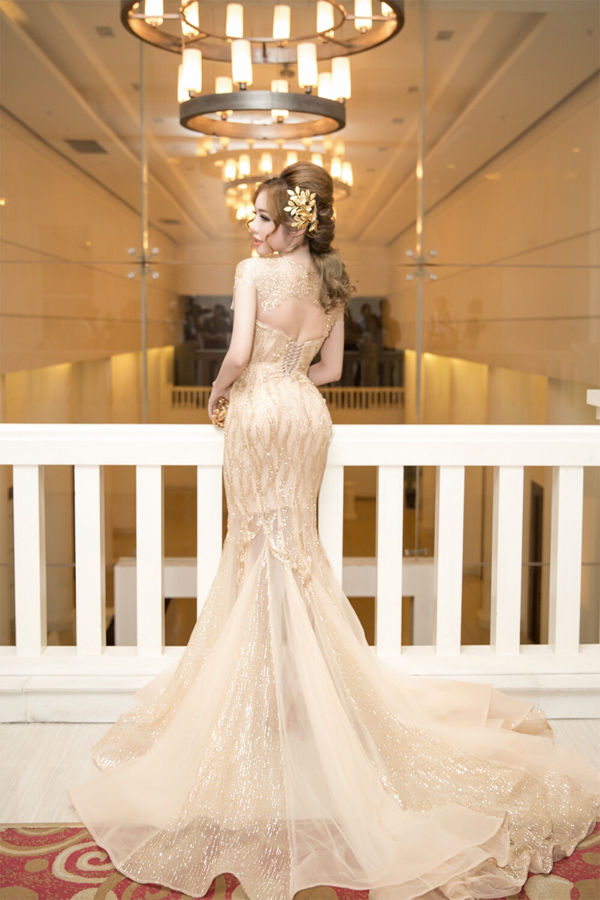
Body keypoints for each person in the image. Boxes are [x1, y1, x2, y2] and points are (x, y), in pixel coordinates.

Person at [69, 163, 599, 900]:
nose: (252, 226)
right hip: (305, 416)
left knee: (254, 547)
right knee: (296, 550)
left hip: (258, 414)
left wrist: (222, 395)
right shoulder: (332, 284)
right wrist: (288, 382)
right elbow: (332, 369)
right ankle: (298, 695)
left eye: (262, 216)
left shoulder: (253, 272)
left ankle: (268, 697)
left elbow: (235, 355)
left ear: (292, 225)